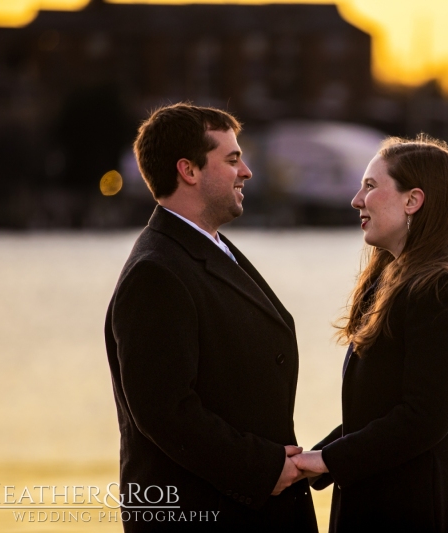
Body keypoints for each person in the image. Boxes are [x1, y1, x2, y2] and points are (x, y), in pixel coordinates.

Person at [104, 103, 317, 532]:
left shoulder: (203, 247)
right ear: (189, 170)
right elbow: (165, 412)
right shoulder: (157, 272)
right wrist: (263, 469)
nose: (247, 172)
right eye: (233, 159)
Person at [293, 135, 448, 532]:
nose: (356, 200)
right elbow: (378, 412)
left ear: (412, 200)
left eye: (370, 186)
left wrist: (329, 460)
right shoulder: (390, 281)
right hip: (381, 495)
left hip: (422, 505)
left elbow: (424, 417)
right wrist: (314, 460)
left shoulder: (440, 289)